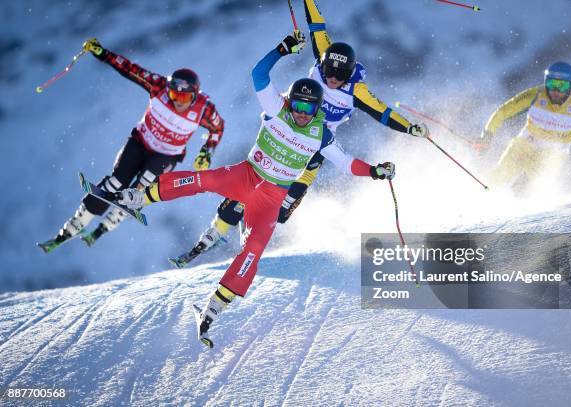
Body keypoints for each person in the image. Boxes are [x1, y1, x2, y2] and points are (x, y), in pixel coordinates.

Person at [115, 33, 397, 347]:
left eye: (309, 107)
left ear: (319, 108)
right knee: (203, 180)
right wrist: (281, 50)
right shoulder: (277, 108)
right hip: (247, 175)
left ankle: (215, 307)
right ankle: (140, 196)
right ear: (290, 100)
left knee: (254, 249)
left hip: (271, 197)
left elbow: (347, 164)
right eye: (298, 104)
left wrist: (374, 171)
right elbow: (259, 75)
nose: (302, 112)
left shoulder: (320, 135)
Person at [170, 0, 429, 267]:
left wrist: (409, 127)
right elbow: (316, 23)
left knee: (281, 212)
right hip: (288, 131)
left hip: (315, 148)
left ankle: (243, 230)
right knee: (254, 182)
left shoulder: (357, 92)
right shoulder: (323, 54)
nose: (331, 79)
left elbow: (383, 113)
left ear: (349, 75)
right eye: (328, 72)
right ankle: (218, 229)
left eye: (339, 77)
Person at [38, 38, 224, 253]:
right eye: (174, 94)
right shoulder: (159, 86)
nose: (178, 101)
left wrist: (206, 152)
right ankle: (70, 229)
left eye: (184, 96)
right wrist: (102, 53)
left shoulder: (204, 109)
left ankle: (104, 227)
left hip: (166, 156)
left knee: (138, 189)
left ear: (195, 94)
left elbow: (218, 129)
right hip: (140, 142)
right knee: (115, 183)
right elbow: (130, 69)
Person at [476, 61, 571, 191]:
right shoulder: (536, 94)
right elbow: (502, 112)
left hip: (553, 154)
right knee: (500, 176)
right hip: (525, 145)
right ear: (546, 82)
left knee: (534, 186)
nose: (556, 91)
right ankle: (484, 196)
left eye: (562, 86)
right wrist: (487, 136)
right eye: (552, 84)